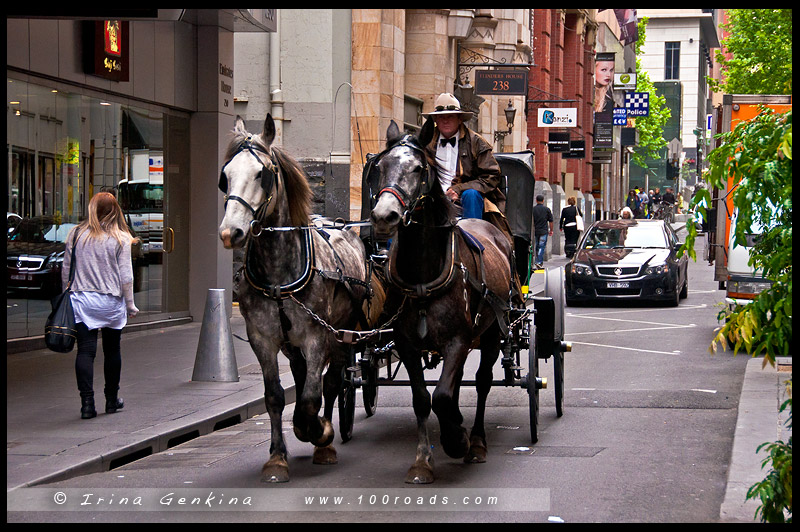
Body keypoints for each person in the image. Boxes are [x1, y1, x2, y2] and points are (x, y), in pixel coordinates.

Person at [62, 192, 139, 419]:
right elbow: (126, 277)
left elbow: (66, 270)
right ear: (115, 210)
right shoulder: (120, 238)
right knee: (112, 350)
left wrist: (65, 296)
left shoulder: (76, 234)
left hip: (82, 300)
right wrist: (130, 305)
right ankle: (111, 400)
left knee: (85, 351)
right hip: (110, 301)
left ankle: (87, 404)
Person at [422, 92, 506, 223]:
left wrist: (459, 189)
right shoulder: (425, 144)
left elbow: (491, 176)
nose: (445, 120)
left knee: (471, 195)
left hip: (464, 199)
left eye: (450, 117)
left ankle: (474, 238)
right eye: (441, 117)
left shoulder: (477, 143)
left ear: (459, 118)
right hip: (431, 199)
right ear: (435, 120)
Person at [532, 195, 553, 269]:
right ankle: (539, 262)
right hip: (544, 230)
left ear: (536, 200)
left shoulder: (533, 209)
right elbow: (551, 221)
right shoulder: (547, 209)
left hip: (536, 231)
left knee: (537, 246)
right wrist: (551, 230)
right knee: (541, 247)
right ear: (543, 200)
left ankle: (538, 261)